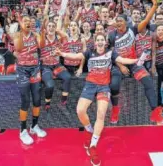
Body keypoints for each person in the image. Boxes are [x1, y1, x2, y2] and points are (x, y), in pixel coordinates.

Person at [55, 33, 138, 166]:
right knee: (80, 110)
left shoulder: (111, 53)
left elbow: (122, 59)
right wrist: (62, 54)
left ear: (105, 42)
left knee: (101, 114)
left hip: (104, 87)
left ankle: (93, 145)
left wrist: (135, 61)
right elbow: (76, 56)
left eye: (102, 40)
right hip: (90, 85)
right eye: (97, 40)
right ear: (95, 42)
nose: (100, 42)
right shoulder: (89, 52)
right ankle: (88, 129)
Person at [108, 0, 161, 123]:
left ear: (126, 22)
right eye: (117, 21)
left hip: (134, 63)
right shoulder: (111, 35)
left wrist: (154, 6)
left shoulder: (133, 29)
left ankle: (155, 111)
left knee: (148, 81)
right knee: (114, 85)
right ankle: (115, 109)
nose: (118, 23)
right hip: (118, 64)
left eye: (121, 21)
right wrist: (120, 66)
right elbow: (110, 53)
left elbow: (146, 20)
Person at [13, 16, 46, 145]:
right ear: (21, 23)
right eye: (25, 21)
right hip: (22, 69)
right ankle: (22, 130)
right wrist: (22, 31)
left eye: (29, 21)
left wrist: (42, 30)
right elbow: (19, 49)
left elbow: (42, 45)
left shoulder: (35, 34)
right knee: (25, 100)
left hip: (35, 69)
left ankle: (34, 126)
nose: (27, 23)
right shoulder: (17, 35)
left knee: (37, 99)